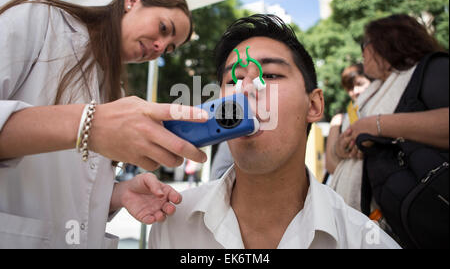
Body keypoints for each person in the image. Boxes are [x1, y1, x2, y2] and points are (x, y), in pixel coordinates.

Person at [148, 14, 400, 249]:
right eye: (233, 81)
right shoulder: (172, 223)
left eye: (269, 75)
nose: (245, 90)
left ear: (314, 105)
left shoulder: (366, 242)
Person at [0, 0, 210, 248]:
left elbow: (65, 183)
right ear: (133, 0)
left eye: (168, 49)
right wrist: (89, 124)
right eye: (164, 29)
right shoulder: (40, 20)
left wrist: (118, 195)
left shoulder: (114, 92)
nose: (159, 46)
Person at [336, 14, 448, 240]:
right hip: (378, 222)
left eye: (364, 45)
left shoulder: (432, 68)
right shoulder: (368, 95)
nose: (362, 53)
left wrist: (376, 126)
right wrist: (343, 145)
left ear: (385, 42)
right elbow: (338, 156)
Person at [325, 64, 371, 208]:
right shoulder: (339, 120)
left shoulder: (384, 111)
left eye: (359, 84)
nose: (355, 91)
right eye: (350, 88)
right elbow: (330, 165)